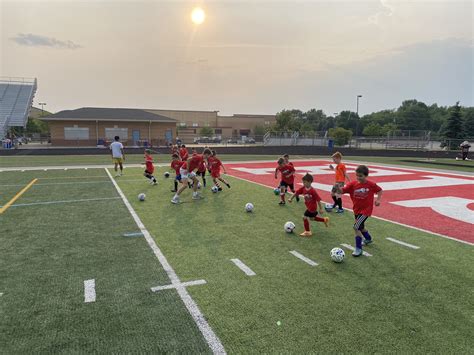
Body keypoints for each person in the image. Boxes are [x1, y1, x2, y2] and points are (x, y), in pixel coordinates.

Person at [337, 165, 383, 257]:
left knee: (356, 227)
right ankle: (368, 238)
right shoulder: (353, 184)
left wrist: (378, 200)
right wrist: (337, 188)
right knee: (361, 227)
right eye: (357, 175)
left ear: (366, 176)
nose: (358, 177)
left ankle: (358, 249)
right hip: (356, 210)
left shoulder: (371, 185)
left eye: (361, 176)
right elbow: (342, 191)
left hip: (366, 211)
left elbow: (380, 190)